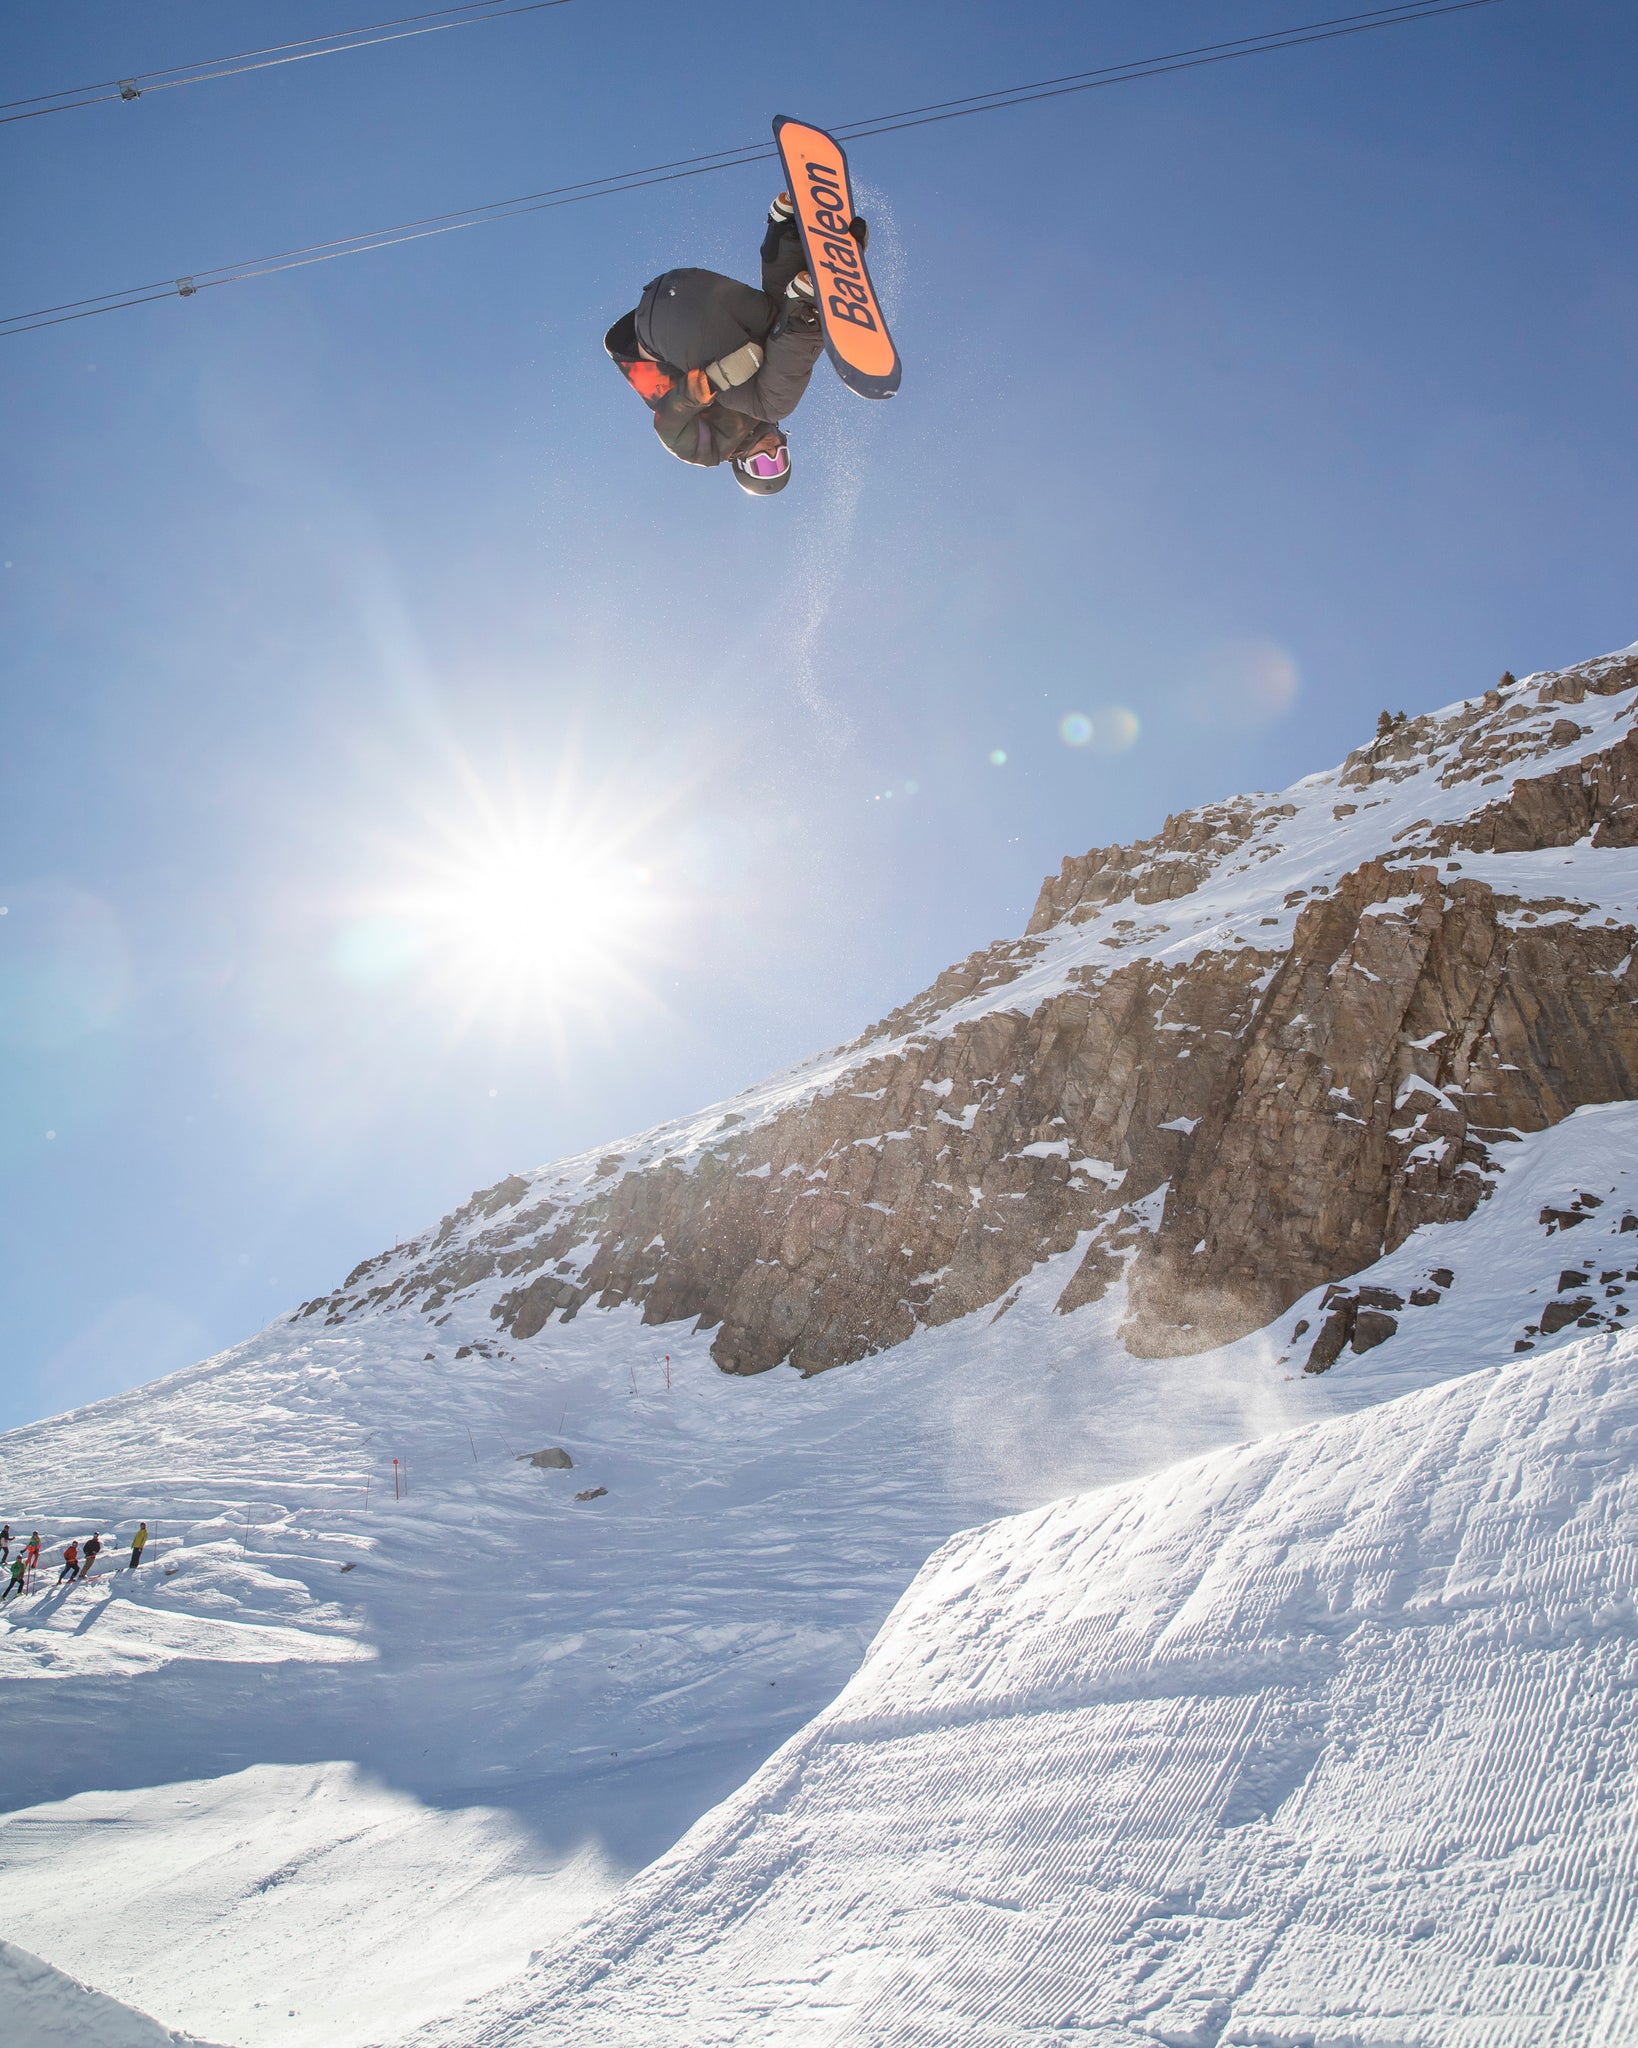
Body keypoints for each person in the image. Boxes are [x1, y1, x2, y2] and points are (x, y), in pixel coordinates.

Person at [605, 192, 867, 496]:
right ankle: (789, 232)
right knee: (777, 327)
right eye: (781, 459)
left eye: (764, 466)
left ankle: (809, 315)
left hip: (661, 330)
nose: (772, 453)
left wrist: (694, 394)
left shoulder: (712, 450)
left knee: (775, 402)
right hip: (692, 292)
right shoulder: (762, 392)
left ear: (742, 465)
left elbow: (668, 430)